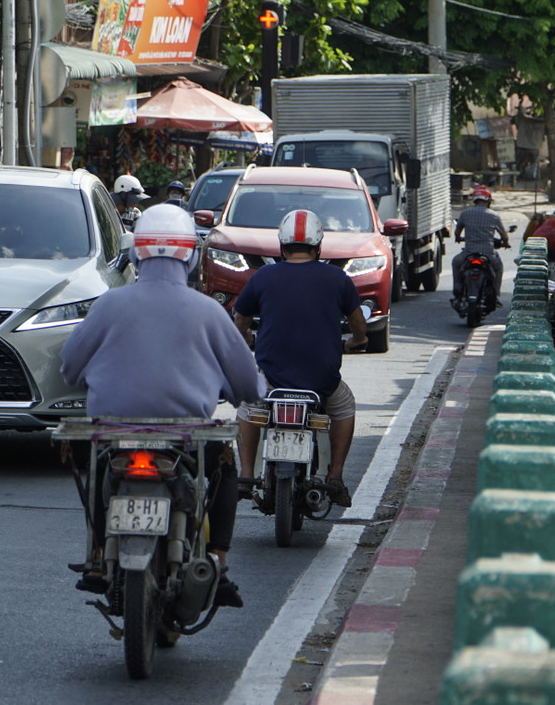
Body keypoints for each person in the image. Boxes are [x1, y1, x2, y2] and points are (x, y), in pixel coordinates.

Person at [60, 204, 258, 607]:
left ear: (137, 253)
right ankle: (219, 562)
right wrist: (240, 391)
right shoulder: (209, 311)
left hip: (113, 432)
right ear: (191, 256)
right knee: (224, 465)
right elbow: (247, 386)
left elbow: (69, 369)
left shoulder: (109, 304)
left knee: (98, 465)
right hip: (185, 438)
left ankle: (97, 554)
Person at [231, 210, 365, 508]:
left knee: (248, 407)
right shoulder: (337, 278)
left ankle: (246, 474)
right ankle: (335, 476)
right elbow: (359, 323)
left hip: (271, 378)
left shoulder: (263, 276)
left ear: (282, 246)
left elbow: (240, 318)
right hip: (321, 380)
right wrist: (357, 341)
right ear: (318, 247)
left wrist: (246, 339)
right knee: (344, 408)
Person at [452, 186, 509, 308]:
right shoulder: (494, 215)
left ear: (474, 200)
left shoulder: (465, 213)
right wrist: (505, 243)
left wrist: (458, 238)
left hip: (468, 254)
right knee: (498, 268)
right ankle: (495, 295)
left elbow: (457, 232)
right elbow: (504, 236)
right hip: (488, 255)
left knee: (456, 262)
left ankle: (457, 289)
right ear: (487, 201)